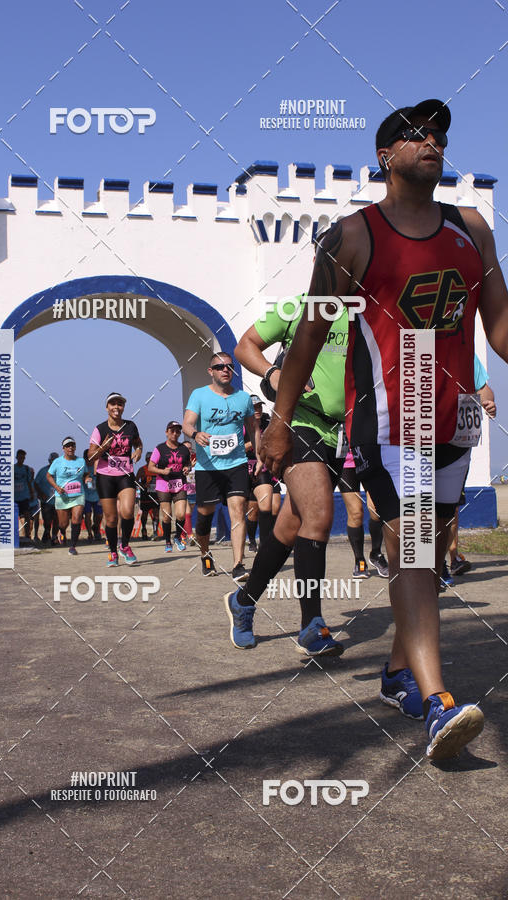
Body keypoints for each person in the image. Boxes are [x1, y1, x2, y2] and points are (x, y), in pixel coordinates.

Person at [261, 98, 508, 760]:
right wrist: (280, 423)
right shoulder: (351, 237)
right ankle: (435, 700)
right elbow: (310, 336)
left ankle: (399, 674)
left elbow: (500, 327)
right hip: (390, 418)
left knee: (427, 552)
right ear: (384, 156)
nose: (432, 141)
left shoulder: (474, 228)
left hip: (451, 414)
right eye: (416, 134)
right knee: (416, 546)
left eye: (440, 134)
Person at [227, 293, 348, 654]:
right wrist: (272, 372)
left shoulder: (367, 311)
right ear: (319, 260)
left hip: (339, 431)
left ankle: (244, 601)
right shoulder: (296, 307)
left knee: (292, 525)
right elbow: (245, 345)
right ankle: (312, 625)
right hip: (298, 420)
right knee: (319, 516)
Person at [182, 351, 259, 582]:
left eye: (229, 366)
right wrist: (195, 434)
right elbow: (187, 423)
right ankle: (205, 554)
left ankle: (238, 565)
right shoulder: (199, 395)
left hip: (236, 463)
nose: (226, 370)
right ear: (211, 371)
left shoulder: (243, 398)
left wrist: (261, 454)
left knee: (238, 510)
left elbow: (254, 429)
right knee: (205, 514)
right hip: (208, 467)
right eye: (220, 366)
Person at [442, 358, 497, 585]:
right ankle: (430, 565)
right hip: (423, 437)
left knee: (449, 506)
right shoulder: (414, 345)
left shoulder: (466, 352)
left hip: (459, 441)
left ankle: (447, 561)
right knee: (425, 503)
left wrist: (489, 403)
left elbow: (484, 389)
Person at [88, 392, 143, 567]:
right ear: (107, 408)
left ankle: (125, 546)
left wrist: (139, 450)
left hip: (126, 475)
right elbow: (90, 456)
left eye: (120, 404)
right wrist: (103, 447)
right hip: (105, 476)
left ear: (123, 407)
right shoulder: (100, 429)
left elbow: (138, 443)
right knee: (111, 519)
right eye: (113, 404)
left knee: (127, 512)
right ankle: (113, 552)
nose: (116, 407)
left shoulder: (130, 426)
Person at [339, 451, 388, 578]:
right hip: (345, 461)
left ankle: (376, 554)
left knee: (376, 510)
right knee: (356, 513)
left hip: (370, 457)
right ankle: (359, 560)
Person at [148, 421, 191, 552]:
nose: (175, 433)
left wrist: (186, 468)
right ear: (166, 432)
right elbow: (151, 467)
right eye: (172, 430)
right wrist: (162, 471)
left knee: (181, 514)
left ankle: (177, 537)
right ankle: (167, 541)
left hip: (179, 484)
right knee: (167, 516)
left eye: (178, 431)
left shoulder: (184, 449)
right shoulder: (159, 448)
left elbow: (187, 464)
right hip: (163, 485)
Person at [46, 438, 91, 555]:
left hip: (78, 494)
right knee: (63, 523)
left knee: (76, 519)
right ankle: (62, 532)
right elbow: (49, 476)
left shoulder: (81, 461)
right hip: (62, 496)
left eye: (72, 445)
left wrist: (87, 479)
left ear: (75, 447)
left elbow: (86, 473)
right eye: (67, 446)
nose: (70, 448)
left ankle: (73, 546)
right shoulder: (57, 462)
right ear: (63, 449)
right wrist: (56, 487)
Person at [245, 395, 278, 550]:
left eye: (259, 406)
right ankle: (251, 540)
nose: (257, 410)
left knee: (271, 506)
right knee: (252, 512)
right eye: (254, 407)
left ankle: (267, 544)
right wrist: (255, 443)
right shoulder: (242, 425)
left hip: (267, 468)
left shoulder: (268, 422)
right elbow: (236, 447)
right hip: (247, 469)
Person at [34, 452, 60, 544]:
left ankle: (54, 536)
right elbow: (35, 483)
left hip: (58, 500)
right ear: (49, 461)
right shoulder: (43, 471)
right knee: (47, 520)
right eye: (52, 461)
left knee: (57, 519)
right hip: (46, 501)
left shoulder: (61, 471)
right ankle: (47, 533)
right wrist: (40, 493)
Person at [14, 449, 35, 542]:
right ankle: (14, 535)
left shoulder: (26, 469)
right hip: (14, 498)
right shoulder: (12, 468)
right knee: (14, 517)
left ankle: (27, 535)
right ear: (16, 457)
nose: (21, 459)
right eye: (20, 457)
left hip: (24, 497)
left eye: (23, 457)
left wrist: (32, 493)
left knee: (27, 516)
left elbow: (29, 482)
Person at [137, 452, 159, 540]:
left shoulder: (157, 469)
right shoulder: (142, 469)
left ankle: (155, 532)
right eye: (149, 459)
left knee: (156, 513)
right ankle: (144, 529)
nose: (151, 461)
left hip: (156, 494)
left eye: (152, 459)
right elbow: (135, 481)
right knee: (145, 514)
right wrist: (142, 485)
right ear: (146, 460)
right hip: (145, 494)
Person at [83, 449, 103, 543]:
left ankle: (96, 527)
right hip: (86, 496)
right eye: (88, 458)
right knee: (87, 515)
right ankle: (90, 534)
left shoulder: (98, 467)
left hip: (97, 496)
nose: (90, 460)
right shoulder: (82, 468)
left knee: (99, 515)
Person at [182, 440, 196, 541]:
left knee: (188, 514)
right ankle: (190, 535)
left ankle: (182, 535)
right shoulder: (180, 459)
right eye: (186, 448)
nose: (189, 450)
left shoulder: (196, 458)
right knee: (186, 513)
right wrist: (190, 466)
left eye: (190, 448)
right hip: (183, 490)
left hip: (194, 490)